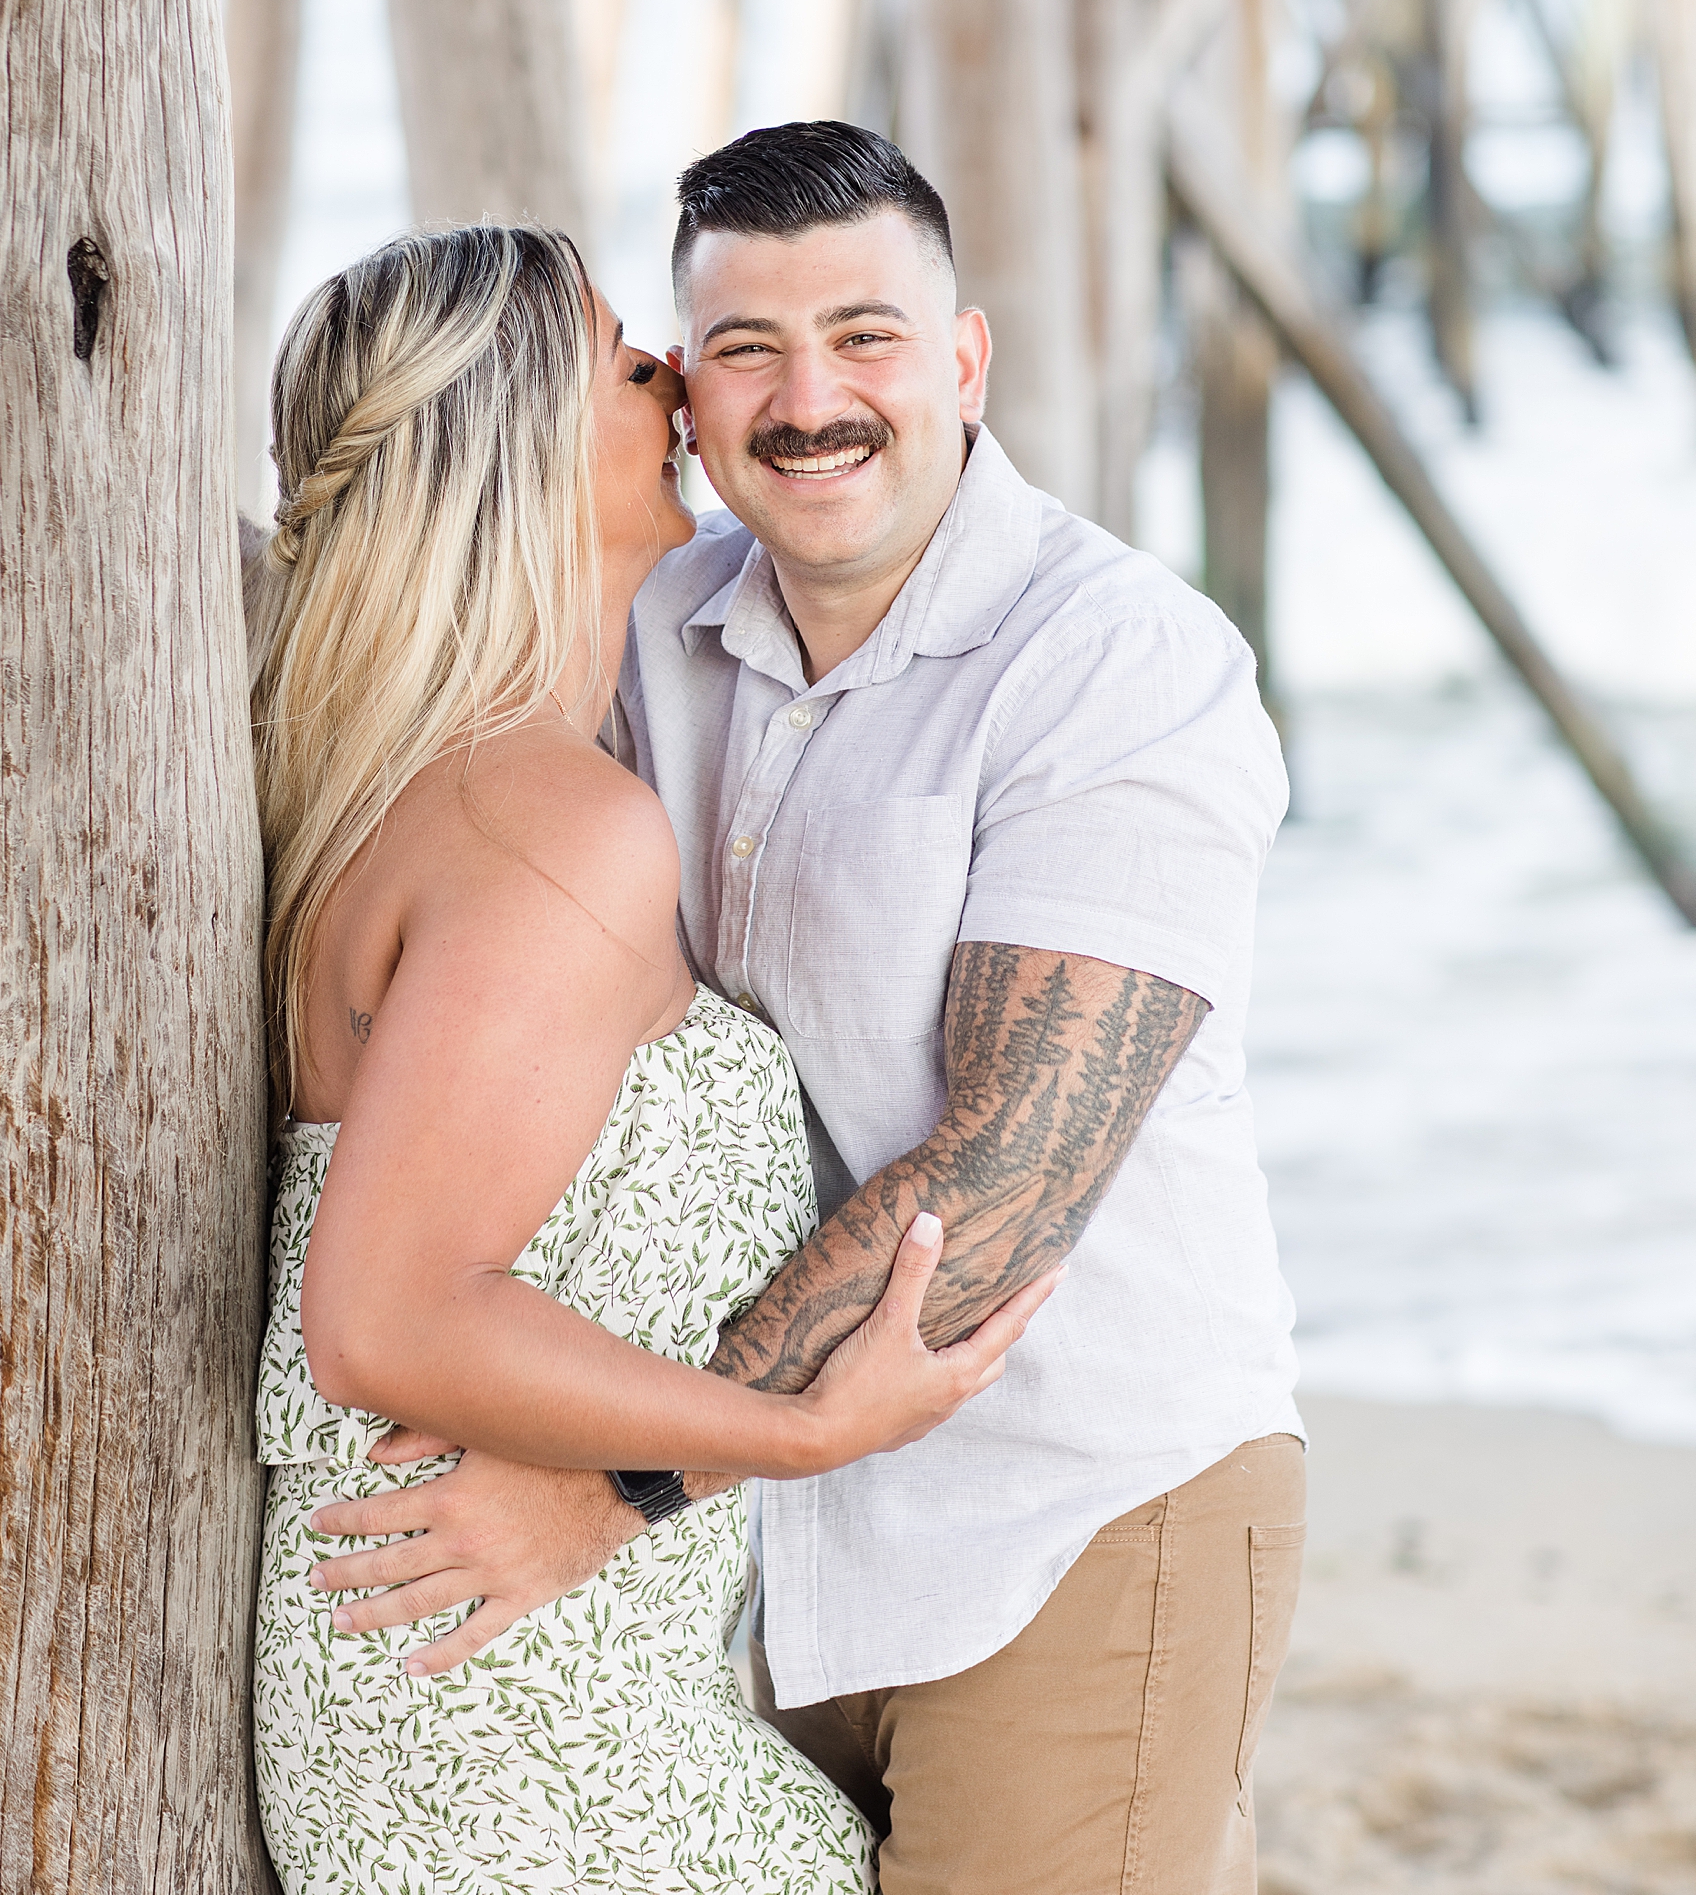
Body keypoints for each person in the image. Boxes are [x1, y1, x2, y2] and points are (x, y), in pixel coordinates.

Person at [312, 127, 1305, 1894]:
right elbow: (425, 565)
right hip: (769, 1542)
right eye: (744, 349)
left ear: (965, 359)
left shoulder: (1116, 665)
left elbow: (1004, 1180)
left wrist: (611, 1489)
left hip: (1061, 1510)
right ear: (683, 393)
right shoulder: (644, 620)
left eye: (866, 336)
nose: (809, 397)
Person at [245, 221, 1058, 1895]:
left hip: (491, 1700)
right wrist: (804, 1434)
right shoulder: (544, 830)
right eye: (631, 360)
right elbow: (385, 1314)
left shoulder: (442, 796)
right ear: (522, 444)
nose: (679, 385)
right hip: (513, 1734)